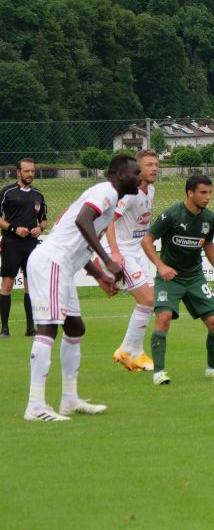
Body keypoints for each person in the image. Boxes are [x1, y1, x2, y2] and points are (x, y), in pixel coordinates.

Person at [24, 154, 138, 421]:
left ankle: (69, 399)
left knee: (75, 328)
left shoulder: (110, 199)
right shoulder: (106, 192)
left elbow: (81, 242)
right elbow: (82, 221)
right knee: (48, 328)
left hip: (63, 266)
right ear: (120, 175)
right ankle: (36, 406)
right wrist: (109, 261)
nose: (139, 177)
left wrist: (99, 275)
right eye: (135, 173)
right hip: (51, 262)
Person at [140, 174, 214, 386]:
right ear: (190, 193)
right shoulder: (172, 214)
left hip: (194, 277)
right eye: (203, 192)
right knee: (163, 317)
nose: (208, 197)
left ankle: (211, 370)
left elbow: (207, 244)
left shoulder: (209, 218)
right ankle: (159, 373)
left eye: (210, 193)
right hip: (170, 278)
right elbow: (147, 240)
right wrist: (161, 266)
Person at [107, 150, 160, 372]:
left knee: (150, 301)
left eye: (156, 164)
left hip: (136, 250)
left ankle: (133, 352)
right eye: (149, 165)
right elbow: (108, 220)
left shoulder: (151, 190)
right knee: (148, 299)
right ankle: (127, 351)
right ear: (138, 170)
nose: (154, 168)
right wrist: (115, 252)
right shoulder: (129, 195)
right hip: (123, 251)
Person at [0, 158, 48, 337]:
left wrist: (40, 228)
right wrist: (14, 228)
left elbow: (43, 219)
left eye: (32, 171)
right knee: (7, 283)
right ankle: (4, 328)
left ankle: (30, 328)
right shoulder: (7, 192)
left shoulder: (38, 195)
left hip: (31, 244)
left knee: (31, 285)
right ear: (18, 172)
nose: (30, 174)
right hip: (11, 243)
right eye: (26, 171)